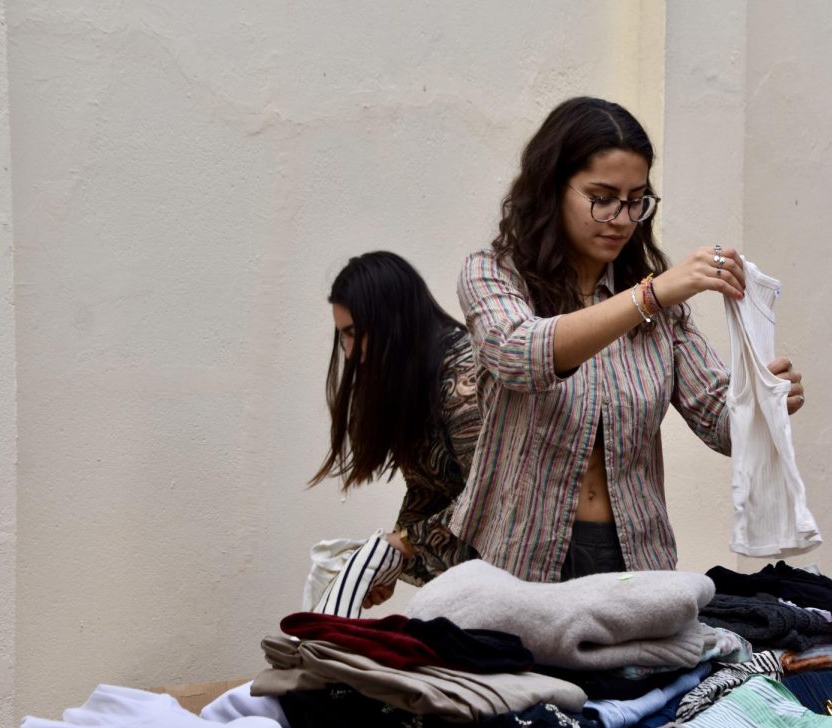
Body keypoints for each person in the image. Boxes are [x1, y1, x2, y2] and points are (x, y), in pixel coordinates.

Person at [451, 97, 805, 583]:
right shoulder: (492, 273)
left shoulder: (662, 307)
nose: (621, 217)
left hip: (635, 559)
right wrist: (650, 295)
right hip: (515, 556)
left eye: (636, 199)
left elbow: (718, 422)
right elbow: (520, 354)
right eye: (602, 197)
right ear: (553, 188)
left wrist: (765, 400)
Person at [309, 251, 478, 604]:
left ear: (391, 319)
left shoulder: (464, 382)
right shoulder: (415, 375)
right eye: (343, 336)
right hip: (479, 588)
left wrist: (404, 545)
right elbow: (428, 491)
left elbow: (493, 500)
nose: (350, 350)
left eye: (354, 333)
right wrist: (393, 561)